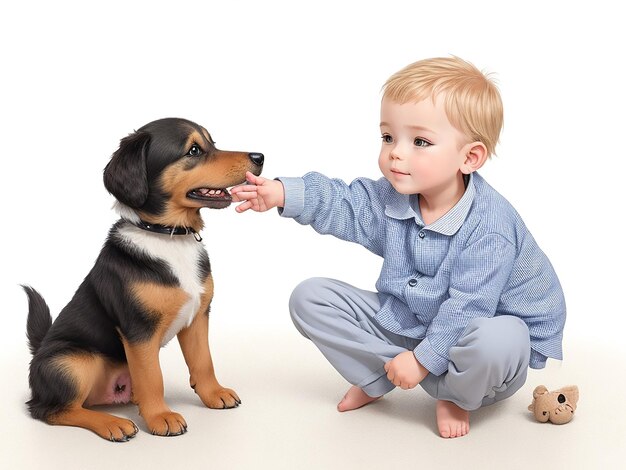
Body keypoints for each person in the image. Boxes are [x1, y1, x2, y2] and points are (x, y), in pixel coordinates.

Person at [231, 56, 566, 438]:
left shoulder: (490, 228)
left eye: (420, 141)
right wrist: (281, 193)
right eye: (389, 137)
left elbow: (468, 306)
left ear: (469, 157)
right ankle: (380, 373)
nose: (396, 153)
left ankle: (455, 395)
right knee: (309, 298)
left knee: (501, 338)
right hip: (411, 321)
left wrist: (424, 361)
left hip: (474, 345)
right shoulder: (392, 198)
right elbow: (345, 203)